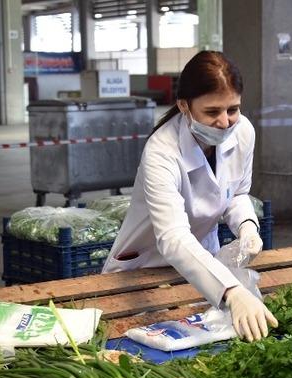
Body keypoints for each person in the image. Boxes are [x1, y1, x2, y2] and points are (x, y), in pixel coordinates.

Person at [102, 51, 277, 342]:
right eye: (212, 112)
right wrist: (232, 292)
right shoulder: (161, 151)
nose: (225, 122)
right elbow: (172, 237)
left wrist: (247, 227)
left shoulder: (243, 131)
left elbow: (236, 192)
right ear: (184, 105)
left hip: (201, 264)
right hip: (144, 269)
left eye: (232, 109)